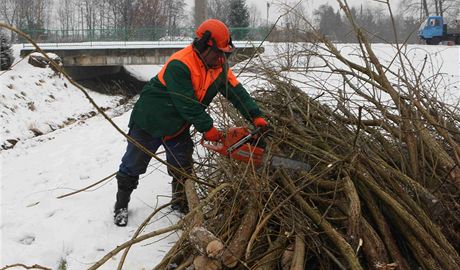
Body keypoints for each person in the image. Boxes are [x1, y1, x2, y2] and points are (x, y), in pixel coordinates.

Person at [113, 18, 268, 227]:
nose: (222, 57)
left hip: (178, 126)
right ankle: (121, 205)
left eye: (225, 53)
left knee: (182, 166)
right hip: (150, 121)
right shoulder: (180, 64)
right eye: (218, 52)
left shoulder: (219, 66)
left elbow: (236, 92)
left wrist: (255, 115)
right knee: (133, 165)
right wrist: (208, 128)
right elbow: (187, 104)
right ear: (204, 46)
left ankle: (179, 203)